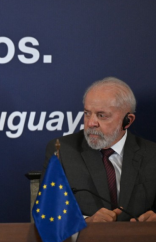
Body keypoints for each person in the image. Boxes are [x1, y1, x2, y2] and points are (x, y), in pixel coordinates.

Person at [42, 77, 156, 222]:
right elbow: (48, 214)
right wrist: (86, 223)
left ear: (128, 120)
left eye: (101, 116)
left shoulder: (152, 154)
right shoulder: (62, 151)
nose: (91, 123)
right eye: (87, 113)